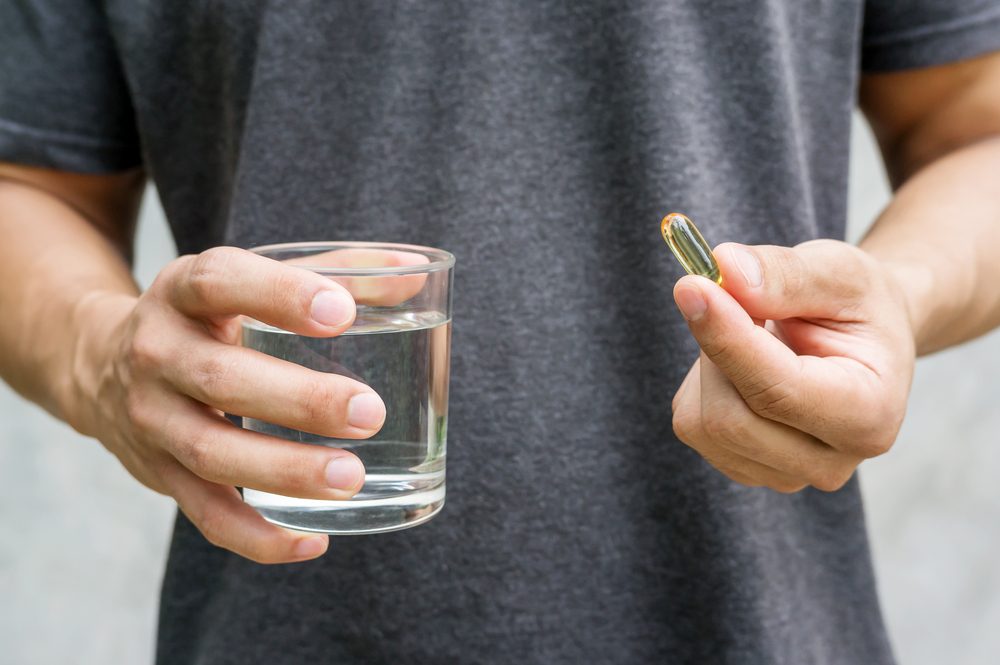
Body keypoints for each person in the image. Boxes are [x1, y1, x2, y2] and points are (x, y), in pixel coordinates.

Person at [1, 2, 999, 663]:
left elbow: (976, 123)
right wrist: (100, 355)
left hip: (763, 625)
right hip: (275, 618)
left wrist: (896, 297)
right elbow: (28, 181)